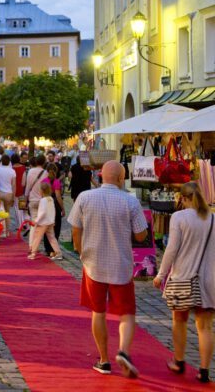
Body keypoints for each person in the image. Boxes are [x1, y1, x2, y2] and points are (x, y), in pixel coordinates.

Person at [68, 160, 148, 378]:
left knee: (98, 312)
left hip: (93, 263)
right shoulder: (130, 201)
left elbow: (75, 227)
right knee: (127, 313)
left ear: (101, 175)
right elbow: (142, 235)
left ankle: (103, 360)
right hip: (120, 264)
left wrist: (79, 249)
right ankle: (123, 351)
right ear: (122, 178)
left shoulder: (85, 197)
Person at [153, 182, 215, 383]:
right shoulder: (213, 219)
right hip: (208, 279)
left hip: (183, 277)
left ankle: (179, 362)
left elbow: (171, 249)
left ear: (183, 198)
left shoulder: (178, 217)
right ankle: (204, 370)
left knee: (179, 321)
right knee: (205, 327)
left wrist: (161, 274)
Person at [28, 182, 62, 260]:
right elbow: (53, 210)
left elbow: (42, 212)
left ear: (41, 191)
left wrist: (36, 220)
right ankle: (58, 253)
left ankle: (33, 253)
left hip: (43, 223)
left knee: (37, 237)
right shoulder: (50, 199)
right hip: (50, 222)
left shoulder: (43, 200)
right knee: (52, 238)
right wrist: (53, 220)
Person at [43, 163, 65, 257]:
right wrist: (63, 208)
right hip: (54, 205)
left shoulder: (44, 181)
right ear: (56, 171)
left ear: (46, 171)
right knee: (56, 227)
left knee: (46, 226)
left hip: (46, 204)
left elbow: (41, 195)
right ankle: (53, 248)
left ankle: (47, 248)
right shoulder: (56, 182)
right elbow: (58, 196)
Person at [25, 155, 47, 246]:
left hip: (32, 199)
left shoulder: (30, 171)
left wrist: (26, 198)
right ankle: (37, 242)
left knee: (33, 223)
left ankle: (31, 245)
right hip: (42, 200)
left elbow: (28, 186)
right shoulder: (45, 172)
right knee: (41, 222)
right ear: (44, 162)